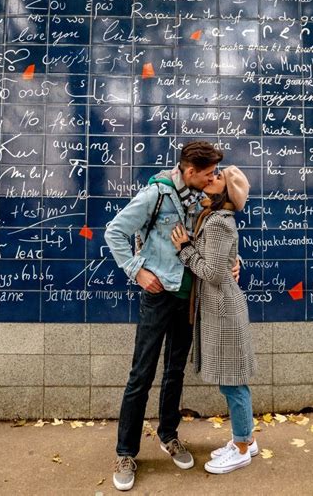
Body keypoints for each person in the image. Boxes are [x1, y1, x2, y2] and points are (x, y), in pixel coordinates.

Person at [104, 141, 224, 491]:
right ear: (189, 172)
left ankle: (169, 435)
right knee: (141, 374)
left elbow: (219, 237)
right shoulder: (156, 194)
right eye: (207, 173)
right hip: (158, 297)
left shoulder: (205, 198)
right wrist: (136, 270)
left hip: (190, 299)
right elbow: (115, 231)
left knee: (174, 372)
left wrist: (233, 263)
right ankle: (126, 452)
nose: (213, 178)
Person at [171, 165, 257, 475]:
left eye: (218, 177)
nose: (212, 177)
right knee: (233, 382)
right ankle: (245, 438)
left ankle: (243, 448)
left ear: (225, 193)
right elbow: (224, 262)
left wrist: (184, 250)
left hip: (223, 311)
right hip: (220, 309)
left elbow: (215, 273)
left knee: (233, 384)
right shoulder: (210, 215)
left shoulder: (219, 223)